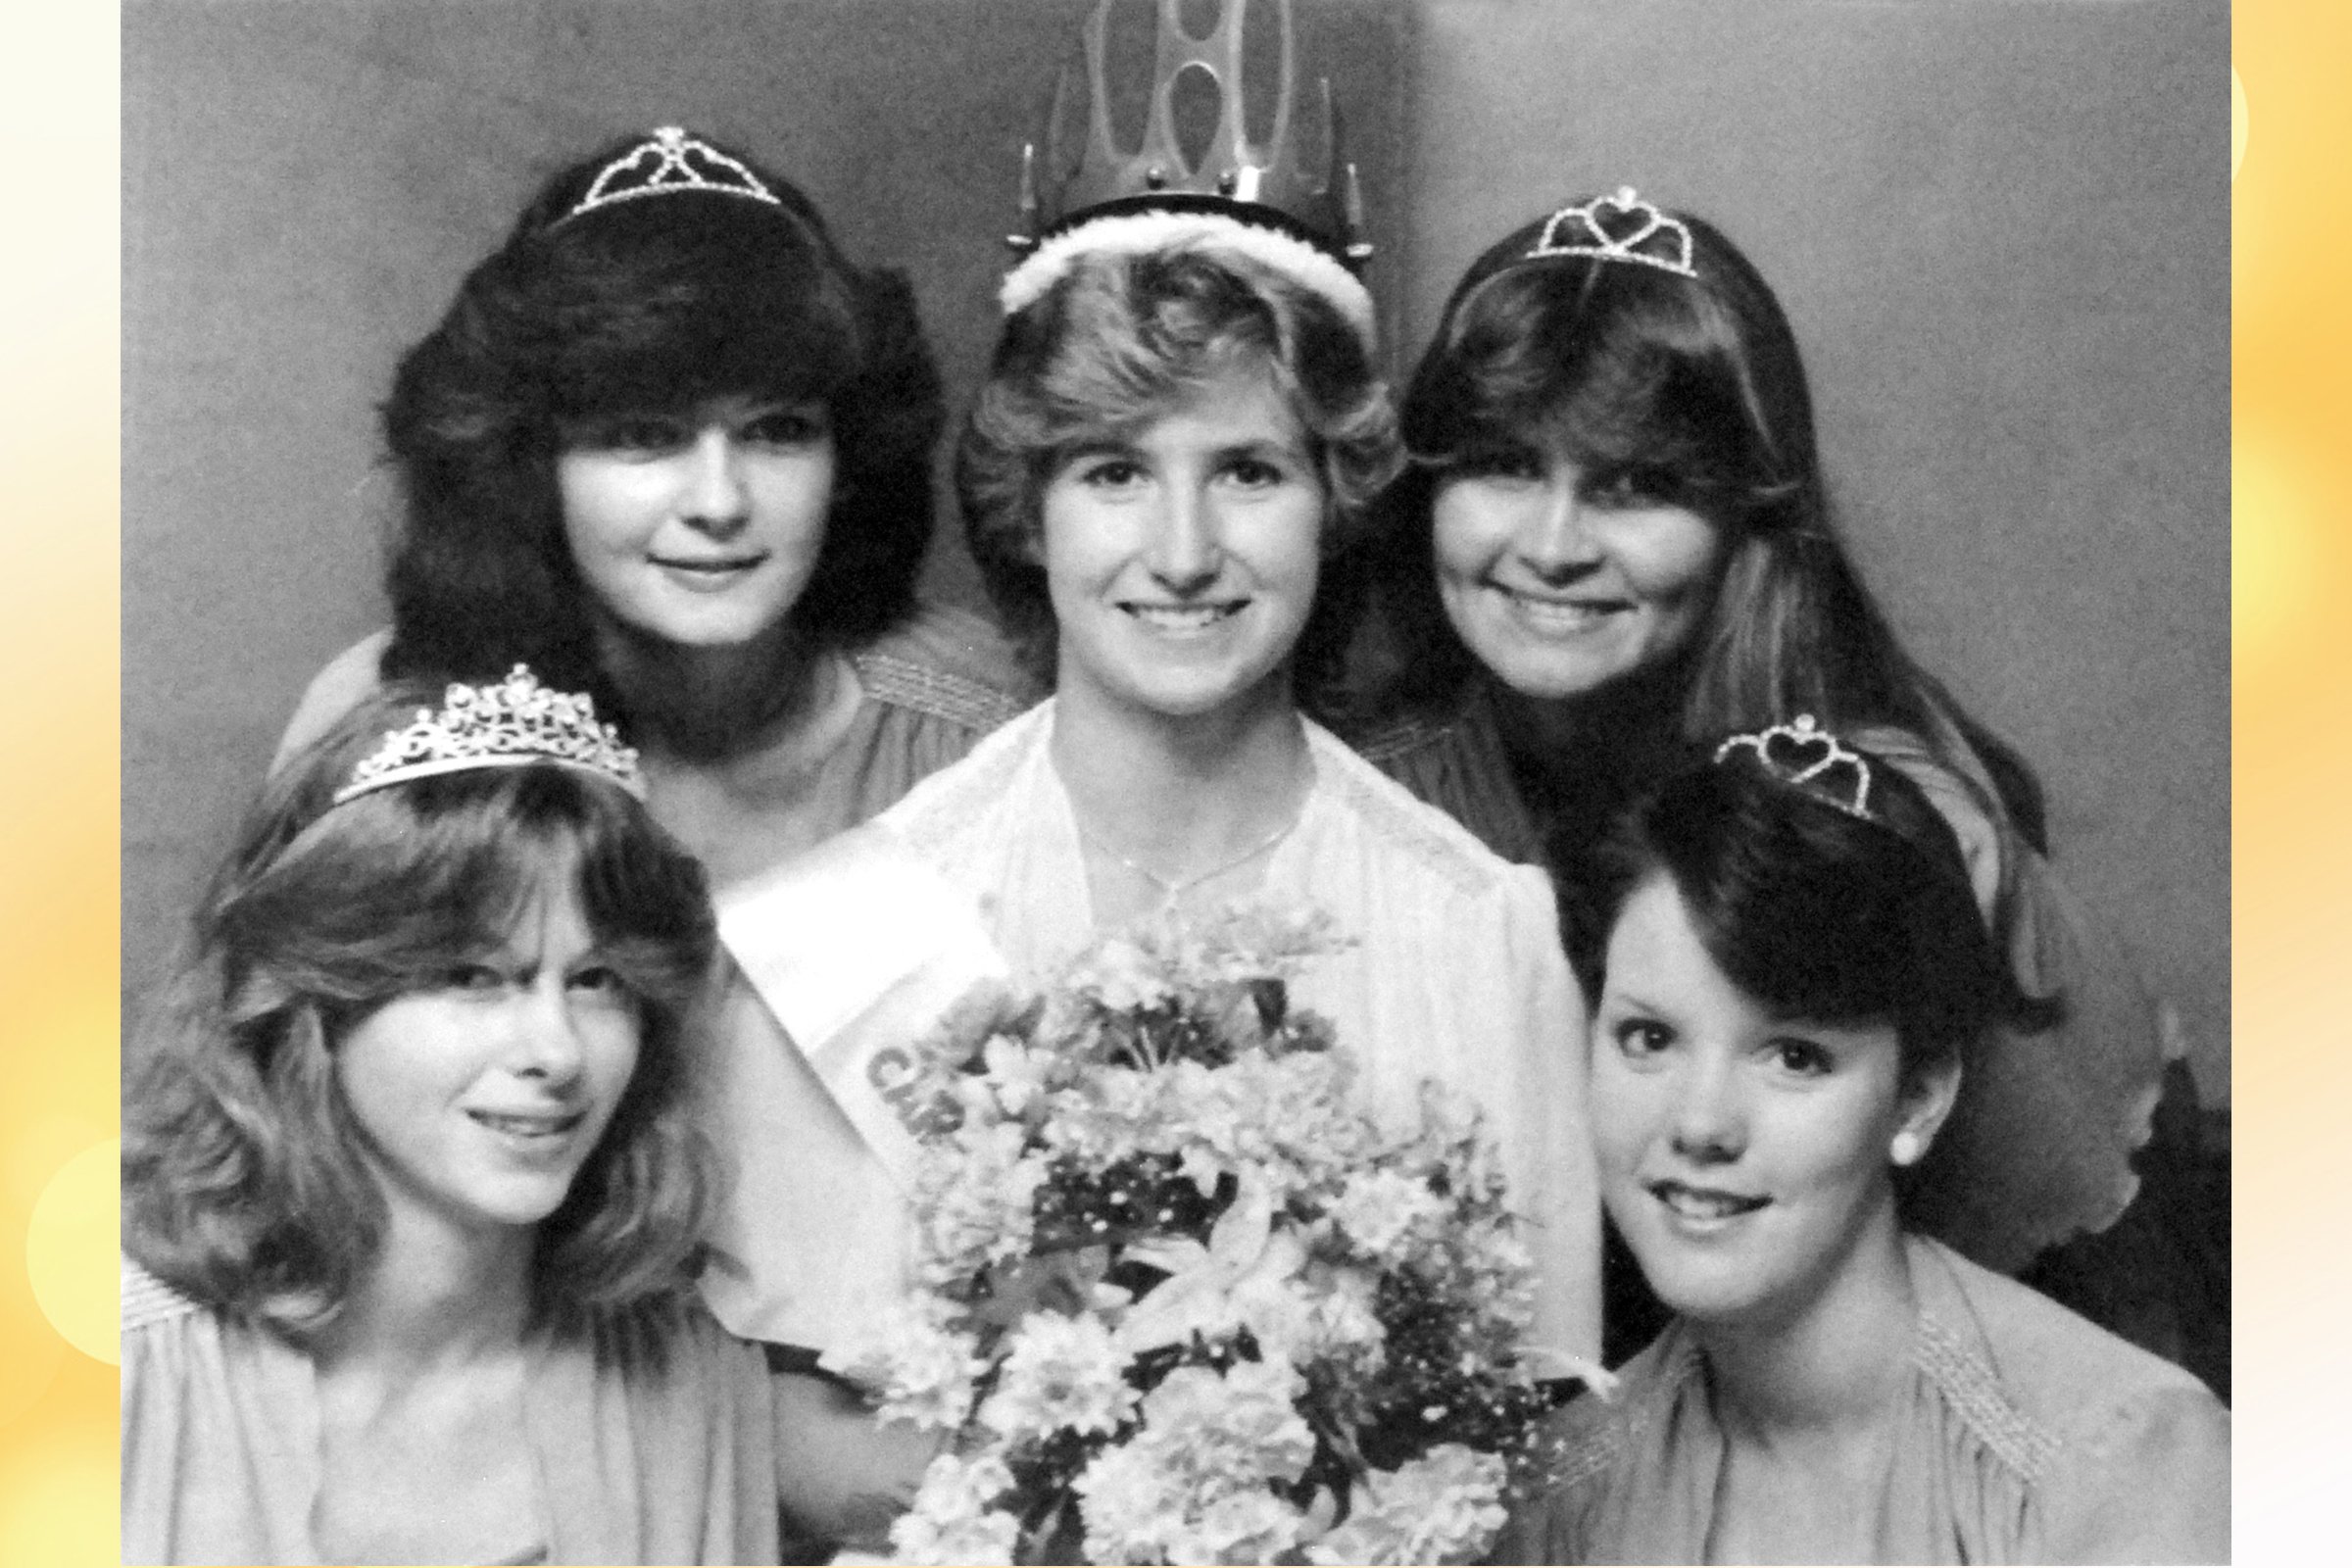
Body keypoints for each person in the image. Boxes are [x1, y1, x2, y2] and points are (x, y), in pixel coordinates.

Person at [270, 125, 1040, 1546]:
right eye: (637, 435)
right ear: (526, 463)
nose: (718, 501)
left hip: (929, 1484)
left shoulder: (984, 722)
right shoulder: (396, 733)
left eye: (776, 430)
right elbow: (274, 1170)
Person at [1341, 188, 2219, 1379]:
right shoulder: (1380, 781)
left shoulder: (1882, 817)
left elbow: (2056, 1356)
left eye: (1634, 486)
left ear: (1745, 520)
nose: (1551, 544)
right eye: (1501, 465)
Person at [839, 138, 1600, 1363]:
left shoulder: (1483, 933)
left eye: (1248, 471)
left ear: (1336, 497)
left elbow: (1547, 1418)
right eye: (1115, 471)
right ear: (1029, 509)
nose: (1184, 550)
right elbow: (803, 1436)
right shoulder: (872, 915)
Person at [1496, 721, 2228, 1564]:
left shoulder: (2116, 1463)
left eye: (1795, 1056)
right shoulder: (1552, 1495)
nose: (1699, 1125)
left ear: (1917, 1099)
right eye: (1649, 1039)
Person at [122, 670, 786, 1565]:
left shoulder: (684, 1373)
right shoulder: (99, 1366)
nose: (556, 1051)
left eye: (597, 982)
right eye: (472, 977)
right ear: (313, 998)